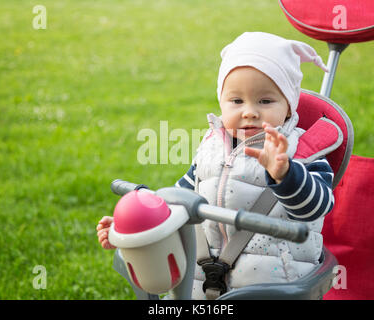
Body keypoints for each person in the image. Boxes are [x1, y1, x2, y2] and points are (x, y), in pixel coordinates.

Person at [97, 32, 335, 299]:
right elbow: (180, 200)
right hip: (204, 278)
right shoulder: (211, 143)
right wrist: (132, 227)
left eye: (265, 101)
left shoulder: (300, 151)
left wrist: (285, 174)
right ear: (221, 102)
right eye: (236, 101)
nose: (249, 111)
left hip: (271, 283)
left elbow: (317, 207)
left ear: (289, 106)